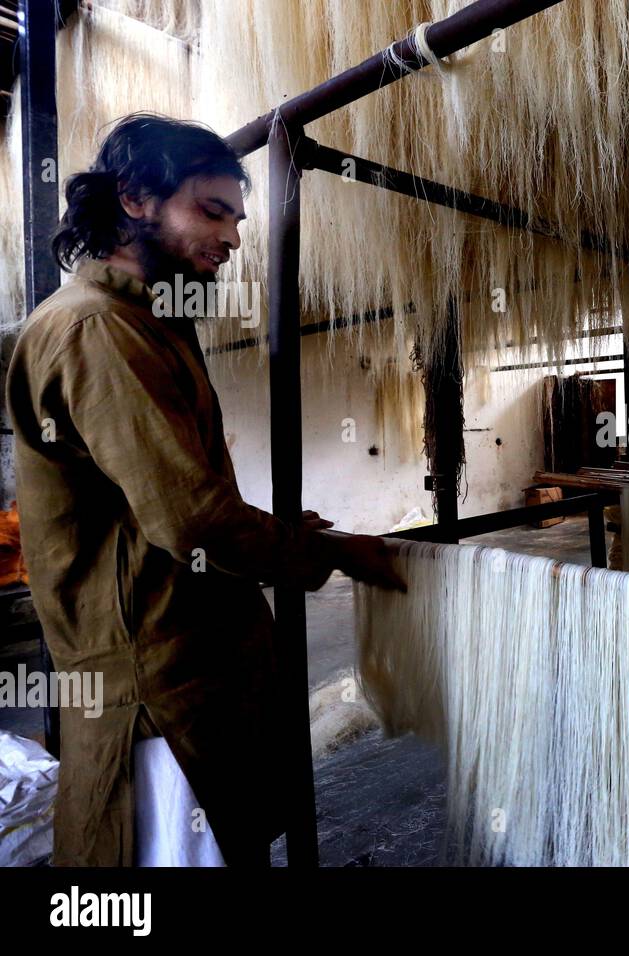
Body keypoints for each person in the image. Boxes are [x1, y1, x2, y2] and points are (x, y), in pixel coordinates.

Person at [5, 113, 405, 866]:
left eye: (237, 218)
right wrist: (330, 550)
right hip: (154, 699)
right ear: (133, 199)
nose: (231, 238)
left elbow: (160, 501)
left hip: (184, 676)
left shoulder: (143, 323)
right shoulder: (98, 330)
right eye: (211, 211)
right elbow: (192, 521)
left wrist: (279, 531)